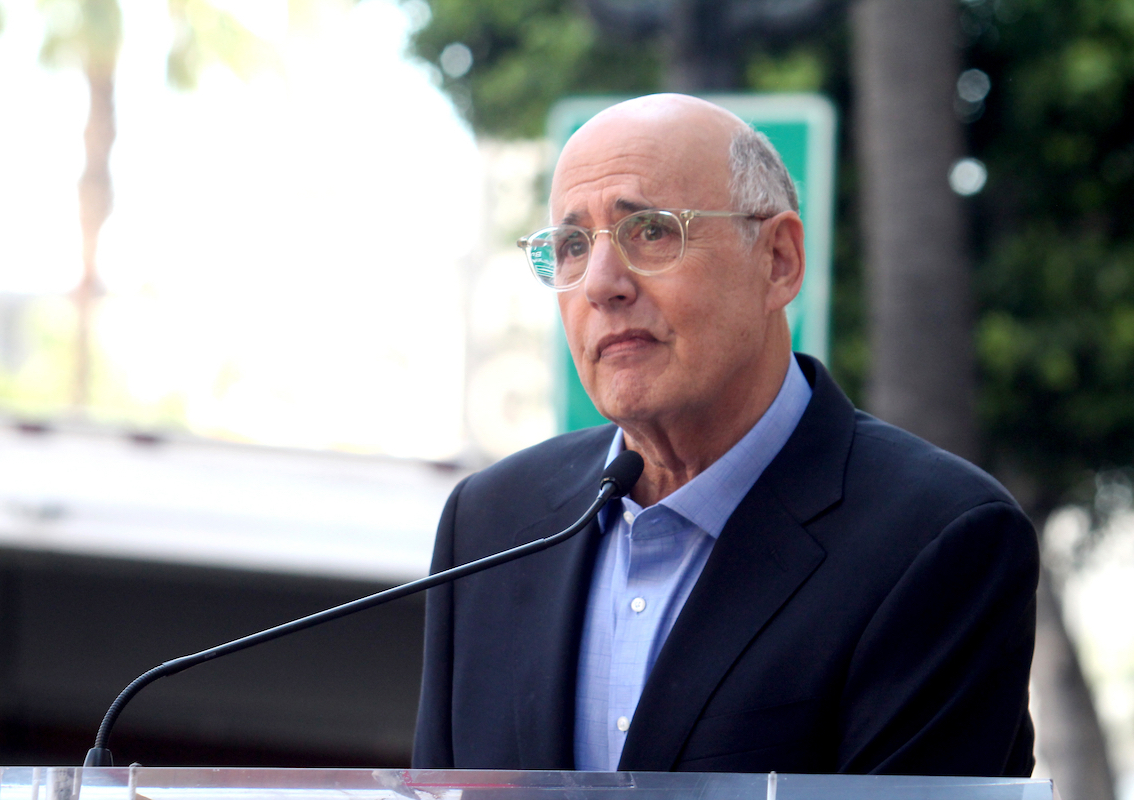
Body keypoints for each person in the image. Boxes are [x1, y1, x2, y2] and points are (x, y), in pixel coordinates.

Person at [412, 93, 1037, 776]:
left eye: (650, 232)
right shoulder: (490, 525)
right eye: (570, 247)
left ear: (778, 260)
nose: (601, 284)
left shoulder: (940, 537)